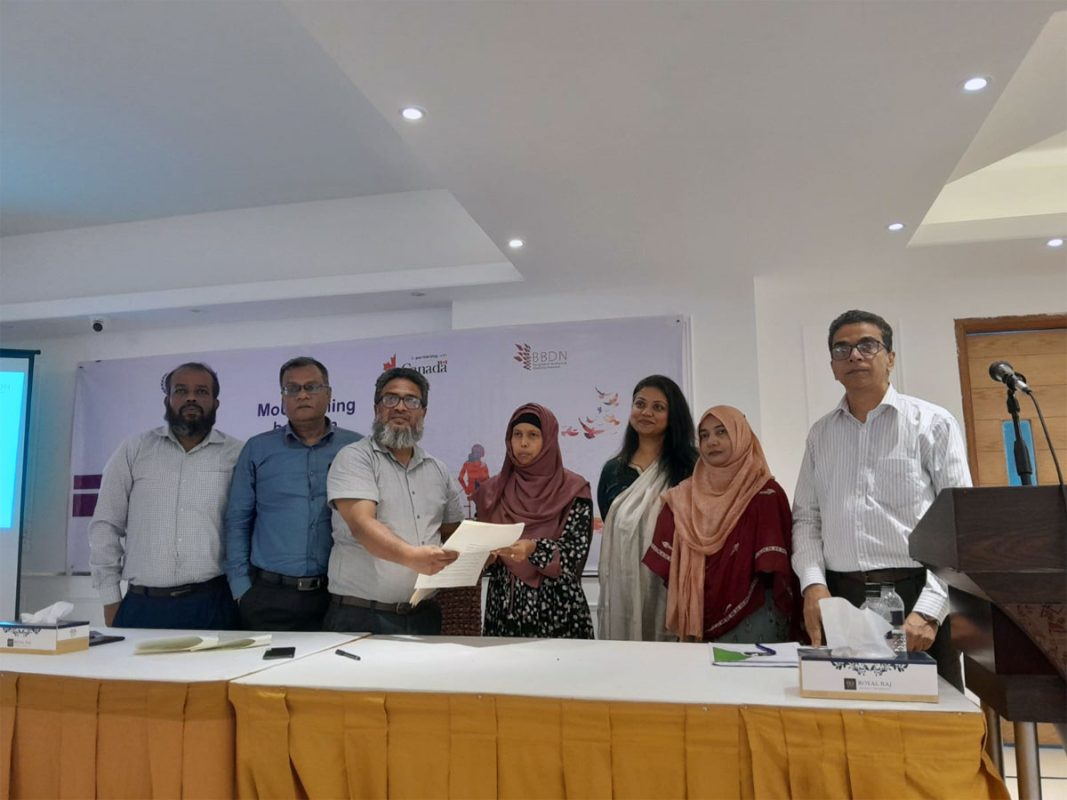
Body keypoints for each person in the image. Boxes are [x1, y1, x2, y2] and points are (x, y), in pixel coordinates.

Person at [791, 309, 971, 688]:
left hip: (916, 594)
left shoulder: (932, 424)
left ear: (890, 358)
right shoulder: (820, 435)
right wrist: (813, 584)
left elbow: (959, 524)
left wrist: (931, 610)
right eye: (842, 349)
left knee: (928, 726)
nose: (854, 355)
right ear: (833, 366)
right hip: (842, 597)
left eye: (867, 345)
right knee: (853, 722)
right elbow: (807, 519)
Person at [89, 362, 243, 629]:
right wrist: (110, 600)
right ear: (168, 400)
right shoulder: (134, 450)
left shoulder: (237, 454)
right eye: (181, 390)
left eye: (201, 391)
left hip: (213, 604)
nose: (191, 397)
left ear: (216, 403)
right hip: (143, 606)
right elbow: (106, 525)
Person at [224, 357, 362, 631]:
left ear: (329, 394)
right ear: (282, 398)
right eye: (292, 389)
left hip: (337, 595)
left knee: (328, 674)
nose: (302, 395)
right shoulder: (258, 449)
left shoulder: (356, 448)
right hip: (268, 596)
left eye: (311, 386)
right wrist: (242, 590)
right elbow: (237, 521)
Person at [324, 367, 464, 635]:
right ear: (377, 408)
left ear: (423, 412)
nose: (400, 407)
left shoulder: (438, 469)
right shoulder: (354, 458)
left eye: (411, 401)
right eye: (391, 399)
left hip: (424, 615)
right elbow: (362, 526)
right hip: (361, 616)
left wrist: (487, 549)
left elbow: (453, 533)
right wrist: (412, 557)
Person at [642, 406, 797, 642]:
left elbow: (774, 566)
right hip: (696, 617)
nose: (712, 441)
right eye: (704, 435)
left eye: (722, 432)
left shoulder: (765, 493)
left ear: (741, 436)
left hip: (755, 618)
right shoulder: (683, 496)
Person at [475, 403, 594, 639]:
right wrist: (485, 556)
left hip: (558, 612)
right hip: (504, 612)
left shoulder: (573, 490)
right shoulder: (492, 492)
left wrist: (533, 548)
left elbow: (574, 554)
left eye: (533, 435)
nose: (523, 443)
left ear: (548, 440)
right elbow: (481, 550)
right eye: (517, 435)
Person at [596, 375, 697, 640]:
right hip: (625, 586)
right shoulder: (613, 471)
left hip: (672, 584)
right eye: (640, 404)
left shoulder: (691, 467)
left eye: (658, 407)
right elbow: (616, 528)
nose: (646, 412)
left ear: (672, 415)